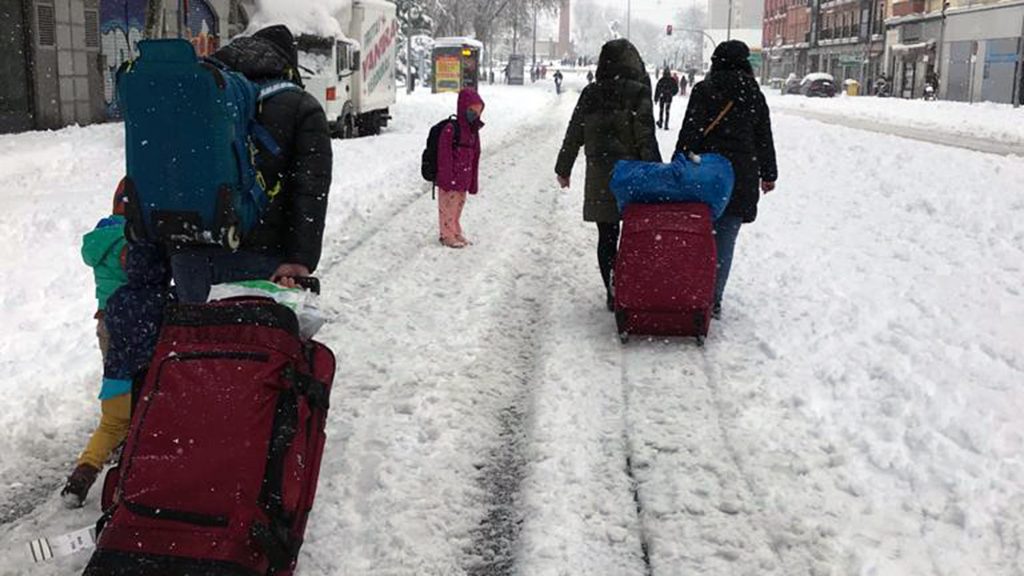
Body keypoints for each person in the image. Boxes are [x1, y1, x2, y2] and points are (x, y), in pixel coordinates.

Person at [170, 25, 333, 303]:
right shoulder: (301, 107)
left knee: (195, 340)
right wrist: (300, 260)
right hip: (264, 259)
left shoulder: (203, 95)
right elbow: (309, 192)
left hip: (191, 253)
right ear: (288, 63)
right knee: (255, 342)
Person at [61, 242, 172, 507]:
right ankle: (129, 488)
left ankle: (82, 476)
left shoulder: (117, 299)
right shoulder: (168, 302)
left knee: (109, 428)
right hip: (146, 386)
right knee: (150, 433)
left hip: (115, 382)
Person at [555, 39, 661, 310]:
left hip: (602, 176)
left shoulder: (591, 93)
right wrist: (656, 172)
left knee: (607, 235)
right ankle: (632, 285)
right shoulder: (637, 92)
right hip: (633, 174)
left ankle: (613, 289)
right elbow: (645, 136)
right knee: (635, 233)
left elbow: (574, 133)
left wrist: (563, 168)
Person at [675, 40, 777, 319]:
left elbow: (690, 131)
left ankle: (692, 290)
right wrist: (769, 175)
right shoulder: (753, 93)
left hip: (704, 173)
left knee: (697, 236)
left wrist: (679, 162)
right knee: (725, 240)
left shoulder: (704, 90)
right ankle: (712, 299)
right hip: (740, 176)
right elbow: (763, 138)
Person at [435, 88, 485, 248]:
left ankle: (455, 231)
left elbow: (476, 156)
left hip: (463, 178)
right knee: (447, 208)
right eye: (472, 110)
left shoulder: (473, 131)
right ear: (463, 108)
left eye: (478, 111)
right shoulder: (451, 129)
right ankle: (446, 235)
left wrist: (472, 182)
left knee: (457, 207)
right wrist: (447, 179)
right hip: (449, 180)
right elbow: (444, 157)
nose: (475, 115)